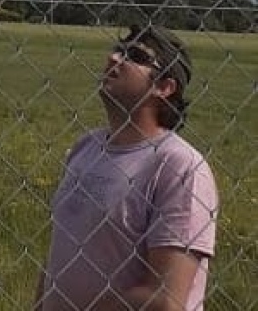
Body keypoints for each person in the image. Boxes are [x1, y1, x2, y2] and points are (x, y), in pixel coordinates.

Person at [35, 25, 218, 310]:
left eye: (134, 55)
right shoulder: (86, 147)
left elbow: (166, 299)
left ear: (164, 87)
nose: (113, 58)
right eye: (118, 49)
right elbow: (58, 259)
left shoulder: (179, 167)